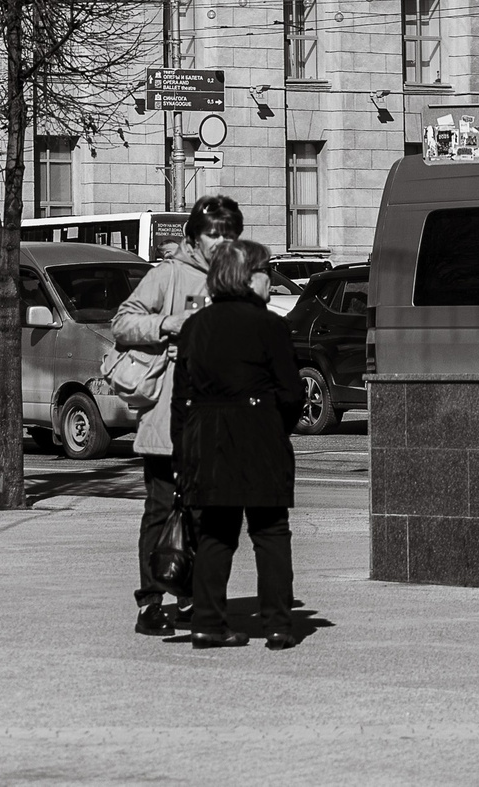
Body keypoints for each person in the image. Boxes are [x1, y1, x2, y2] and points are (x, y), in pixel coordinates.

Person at [110, 193, 242, 637]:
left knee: (206, 514)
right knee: (161, 509)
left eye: (228, 233)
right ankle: (150, 602)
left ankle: (190, 596)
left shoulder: (236, 281)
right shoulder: (167, 274)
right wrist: (164, 325)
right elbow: (122, 322)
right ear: (194, 235)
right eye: (212, 232)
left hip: (217, 419)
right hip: (168, 417)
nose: (220, 240)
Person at [172, 234, 306, 650]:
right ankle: (279, 625)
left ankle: (208, 623)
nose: (270, 281)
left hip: (206, 438)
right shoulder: (271, 326)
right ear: (248, 278)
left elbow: (180, 397)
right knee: (270, 532)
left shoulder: (195, 326)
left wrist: (183, 450)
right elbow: (291, 394)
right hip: (260, 434)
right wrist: (276, 425)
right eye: (266, 272)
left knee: (214, 533)